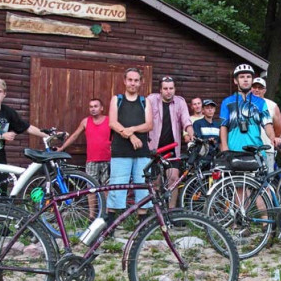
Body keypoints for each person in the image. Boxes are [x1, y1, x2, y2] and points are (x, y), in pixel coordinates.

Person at [107, 68, 153, 227]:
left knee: (142, 187)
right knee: (116, 186)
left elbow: (149, 125)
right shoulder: (116, 100)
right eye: (130, 80)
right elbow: (113, 122)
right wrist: (131, 136)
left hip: (142, 152)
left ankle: (142, 225)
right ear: (125, 81)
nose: (133, 83)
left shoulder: (145, 101)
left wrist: (132, 129)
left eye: (136, 80)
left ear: (141, 82)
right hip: (120, 152)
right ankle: (111, 224)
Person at [147, 76, 194, 209]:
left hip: (172, 148)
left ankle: (171, 211)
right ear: (160, 90)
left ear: (175, 89)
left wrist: (191, 133)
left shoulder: (180, 102)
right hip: (154, 147)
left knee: (173, 178)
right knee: (155, 182)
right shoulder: (151, 100)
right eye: (165, 88)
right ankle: (155, 212)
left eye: (171, 88)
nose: (168, 91)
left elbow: (186, 120)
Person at [220, 64, 280, 154]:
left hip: (257, 152)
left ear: (252, 80)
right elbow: (223, 126)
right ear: (235, 81)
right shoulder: (227, 102)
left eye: (248, 77)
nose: (245, 79)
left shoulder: (260, 102)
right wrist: (225, 147)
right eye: (242, 77)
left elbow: (267, 124)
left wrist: (273, 138)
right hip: (234, 151)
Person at [58, 98, 111, 185]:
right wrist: (61, 148)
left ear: (102, 108)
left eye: (95, 106)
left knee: (107, 188)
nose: (93, 109)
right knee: (91, 189)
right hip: (92, 160)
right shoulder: (86, 121)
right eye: (91, 107)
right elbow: (74, 136)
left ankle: (105, 200)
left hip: (108, 160)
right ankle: (92, 200)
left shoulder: (109, 121)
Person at [251, 77, 281, 170]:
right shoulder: (244, 103)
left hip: (267, 148)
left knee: (267, 177)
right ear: (251, 88)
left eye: (260, 88)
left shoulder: (272, 105)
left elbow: (278, 127)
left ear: (264, 90)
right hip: (249, 148)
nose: (257, 90)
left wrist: (273, 138)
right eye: (254, 87)